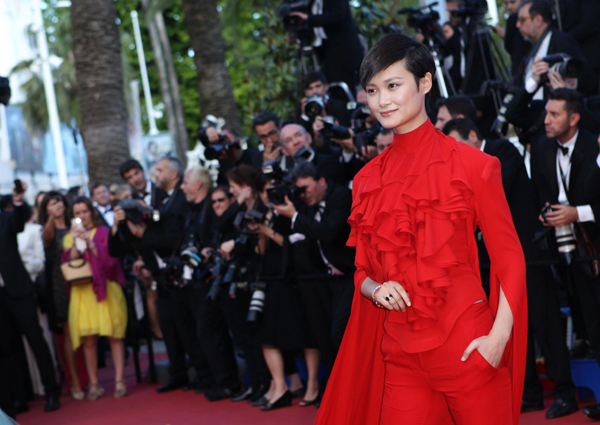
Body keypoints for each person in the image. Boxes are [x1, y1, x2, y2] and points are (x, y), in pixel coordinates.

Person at [314, 34, 527, 425]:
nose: (383, 101)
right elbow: (361, 273)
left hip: (469, 348)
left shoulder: (474, 165)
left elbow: (509, 258)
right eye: (373, 90)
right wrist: (377, 289)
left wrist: (498, 340)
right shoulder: (365, 181)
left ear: (425, 82)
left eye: (393, 86)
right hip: (400, 356)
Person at [443, 118, 579, 418]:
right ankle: (529, 393)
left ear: (473, 135)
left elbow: (490, 195)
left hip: (531, 257)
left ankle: (565, 393)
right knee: (518, 330)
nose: (453, 151)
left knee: (547, 327)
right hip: (499, 262)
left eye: (456, 142)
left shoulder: (501, 151)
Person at [529, 88, 600, 422]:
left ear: (574, 118)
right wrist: (548, 212)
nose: (545, 121)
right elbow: (542, 192)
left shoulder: (593, 145)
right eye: (546, 113)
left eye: (553, 115)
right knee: (590, 324)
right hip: (561, 252)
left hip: (595, 247)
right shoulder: (542, 148)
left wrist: (578, 213)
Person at [0, 183, 61, 413]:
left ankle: (51, 390)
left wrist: (17, 200)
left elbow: (17, 223)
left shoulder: (6, 219)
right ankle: (19, 396)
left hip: (19, 290)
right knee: (6, 347)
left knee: (35, 339)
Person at [61, 197, 128, 400]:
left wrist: (90, 243)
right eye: (77, 213)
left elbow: (110, 261)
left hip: (106, 289)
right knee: (89, 340)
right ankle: (94, 383)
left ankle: (119, 380)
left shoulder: (104, 233)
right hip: (83, 292)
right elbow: (69, 263)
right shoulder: (69, 237)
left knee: (114, 336)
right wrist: (76, 242)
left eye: (85, 211)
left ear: (92, 212)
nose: (82, 216)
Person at [39, 191, 83, 400]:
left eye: (58, 202)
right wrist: (50, 218)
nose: (56, 206)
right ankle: (73, 381)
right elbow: (46, 239)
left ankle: (88, 378)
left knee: (85, 333)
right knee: (67, 333)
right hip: (59, 285)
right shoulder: (47, 230)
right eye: (51, 203)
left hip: (82, 282)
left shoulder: (76, 225)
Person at [289, 0, 364, 95]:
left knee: (344, 91)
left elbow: (337, 15)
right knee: (331, 90)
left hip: (343, 53)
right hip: (325, 51)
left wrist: (308, 18)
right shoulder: (311, 3)